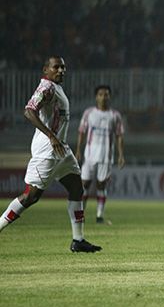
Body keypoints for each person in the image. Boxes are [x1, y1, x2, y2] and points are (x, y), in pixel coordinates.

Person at [0, 56, 102, 252]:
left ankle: (78, 240)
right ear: (45, 70)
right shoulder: (46, 87)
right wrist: (51, 136)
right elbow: (29, 111)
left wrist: (57, 139)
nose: (61, 70)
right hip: (47, 151)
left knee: (76, 189)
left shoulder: (55, 88)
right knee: (31, 197)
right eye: (56, 67)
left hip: (61, 150)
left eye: (63, 67)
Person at [75, 85, 125, 224]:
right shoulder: (89, 113)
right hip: (89, 155)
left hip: (106, 156)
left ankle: (99, 216)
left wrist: (121, 155)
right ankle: (81, 215)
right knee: (84, 184)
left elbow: (119, 135)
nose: (104, 97)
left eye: (107, 94)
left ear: (110, 97)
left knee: (101, 185)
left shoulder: (115, 115)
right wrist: (78, 149)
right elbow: (81, 132)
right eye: (101, 94)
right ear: (96, 97)